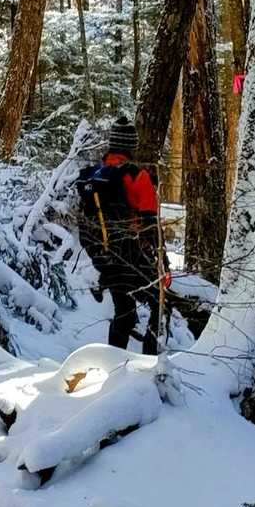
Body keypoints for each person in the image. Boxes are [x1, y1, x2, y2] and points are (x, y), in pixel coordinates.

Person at [76, 116, 168, 354]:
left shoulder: (95, 175)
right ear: (131, 146)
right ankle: (152, 364)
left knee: (124, 313)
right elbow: (150, 225)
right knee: (160, 304)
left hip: (105, 258)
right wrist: (163, 264)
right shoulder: (137, 176)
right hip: (131, 256)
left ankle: (113, 364)